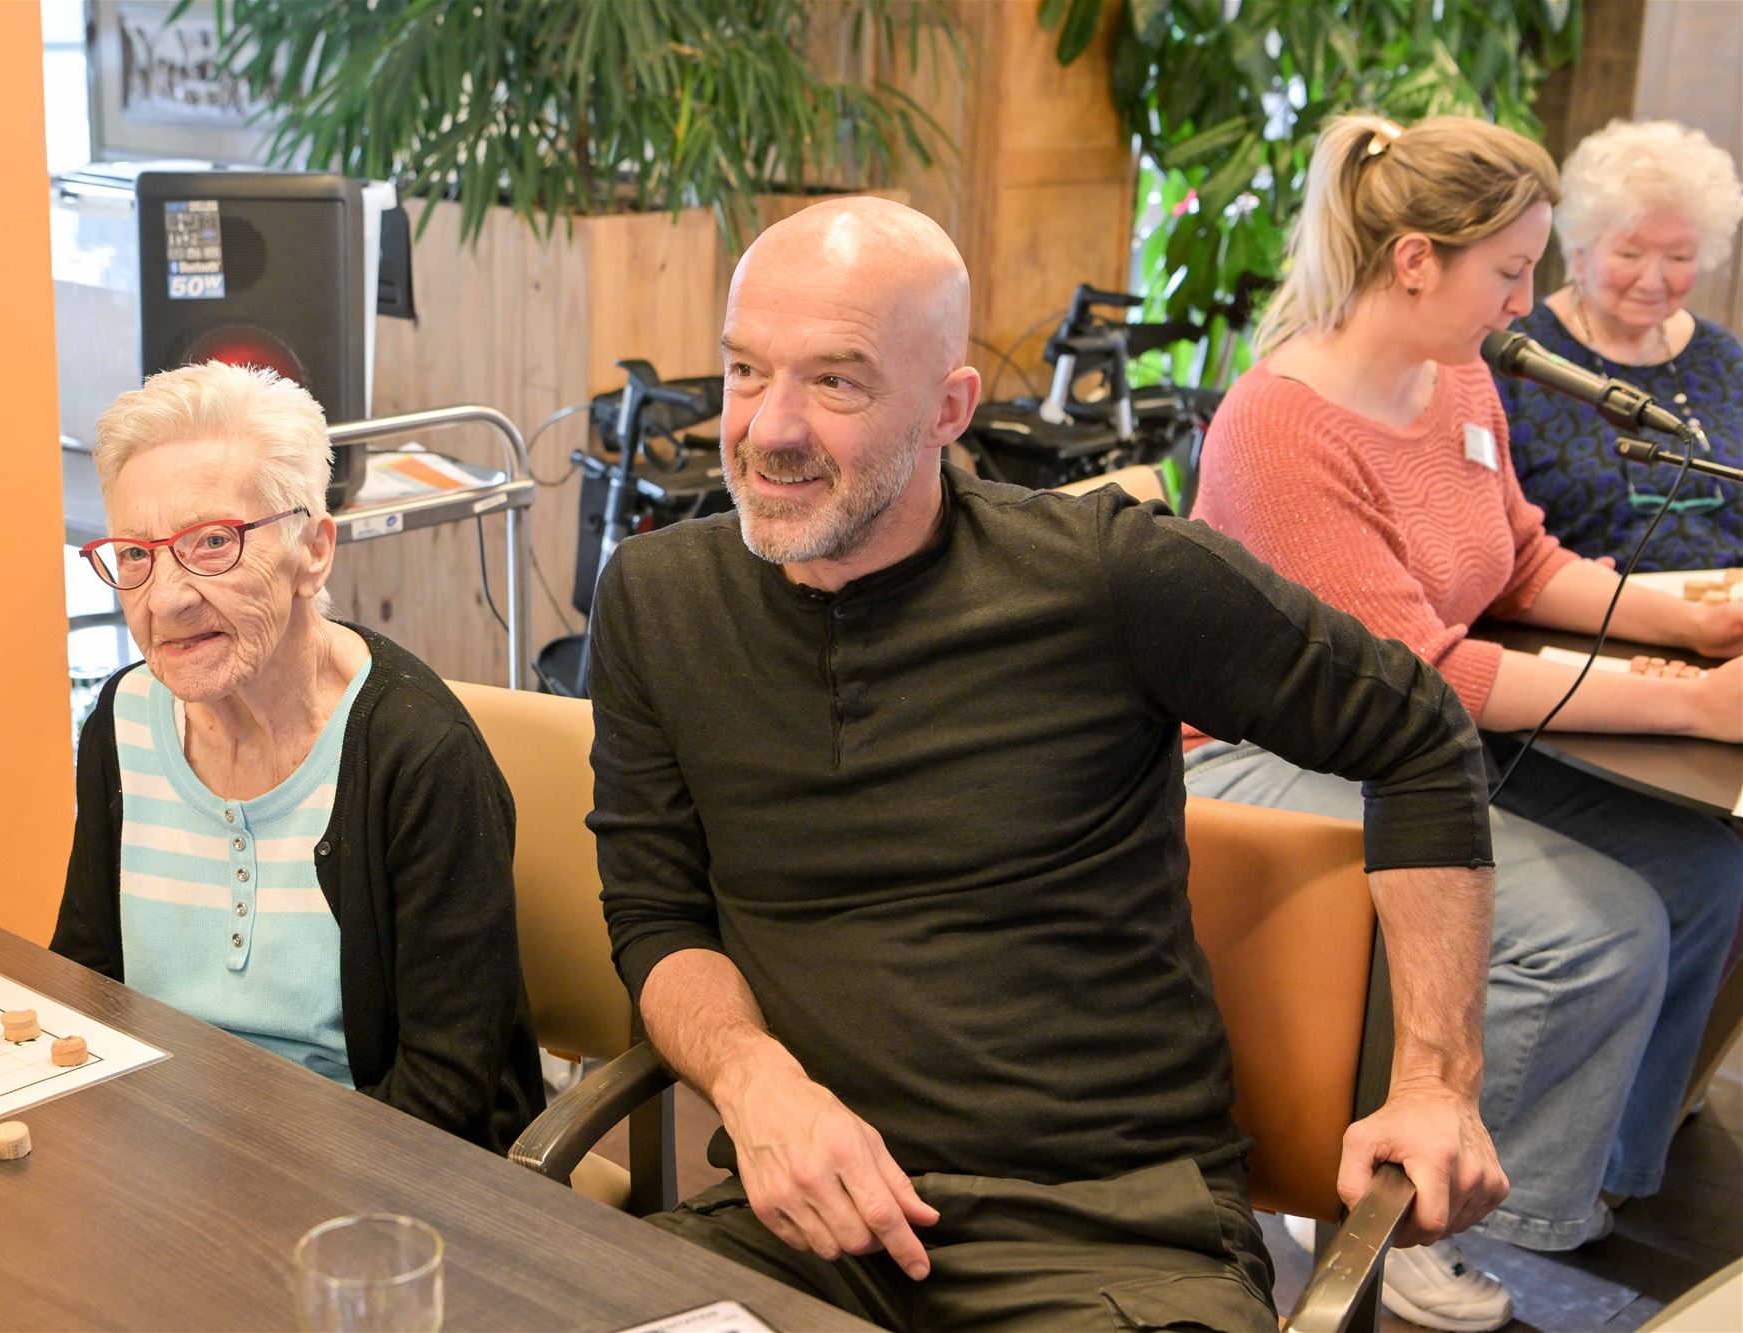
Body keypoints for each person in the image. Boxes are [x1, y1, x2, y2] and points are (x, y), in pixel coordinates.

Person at [588, 196, 1509, 1332]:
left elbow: (1418, 735)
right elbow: (657, 911)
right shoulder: (658, 599)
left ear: (948, 407)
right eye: (744, 371)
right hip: (810, 1224)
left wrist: (1435, 1084)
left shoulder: (1110, 578)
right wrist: (752, 1080)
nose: (769, 428)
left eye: (835, 382)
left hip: (1109, 1239)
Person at [1186, 114, 1743, 1331]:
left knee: (1705, 871)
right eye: (1508, 271)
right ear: (1412, 262)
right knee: (1599, 931)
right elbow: (1426, 673)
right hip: (1264, 753)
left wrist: (1689, 623)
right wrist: (1690, 702)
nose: (1525, 302)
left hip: (1403, 735)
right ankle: (1414, 1218)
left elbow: (1519, 562)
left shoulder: (1456, 377)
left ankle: (1588, 1166)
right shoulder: (1281, 425)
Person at [51, 361, 545, 1153]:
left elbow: (444, 1091)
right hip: (164, 1154)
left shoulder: (418, 757)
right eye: (136, 554)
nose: (166, 597)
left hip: (373, 1174)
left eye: (213, 542)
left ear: (313, 550)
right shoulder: (123, 721)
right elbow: (85, 985)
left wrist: (249, 1188)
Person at [1496, 119, 1743, 569]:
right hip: (1585, 605)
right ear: (1579, 250)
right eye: (1630, 254)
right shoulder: (1518, 356)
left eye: (1680, 257)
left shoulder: (1722, 356)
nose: (1653, 279)